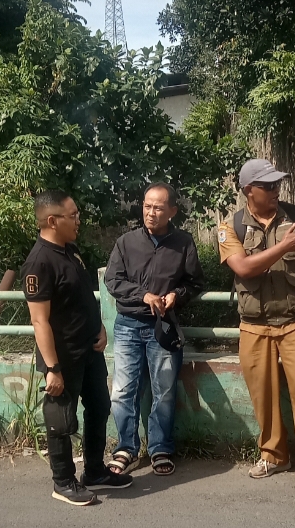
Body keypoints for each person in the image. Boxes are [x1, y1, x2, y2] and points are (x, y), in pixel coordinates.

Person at [218, 158, 295, 489]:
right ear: (248, 190)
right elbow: (243, 268)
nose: (275, 190)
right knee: (262, 394)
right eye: (267, 185)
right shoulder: (230, 227)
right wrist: (283, 247)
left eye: (277, 184)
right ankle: (274, 455)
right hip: (254, 324)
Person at [22, 190, 132, 506]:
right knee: (60, 420)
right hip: (63, 356)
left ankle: (94, 471)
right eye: (73, 216)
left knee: (99, 407)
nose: (78, 220)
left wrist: (99, 327)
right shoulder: (39, 263)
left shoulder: (70, 250)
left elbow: (83, 296)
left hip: (88, 350)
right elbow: (39, 321)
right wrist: (52, 368)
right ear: (52, 221)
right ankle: (63, 482)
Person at [104, 182, 205, 476]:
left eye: (158, 208)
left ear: (172, 211)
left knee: (164, 391)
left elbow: (195, 282)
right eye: (147, 206)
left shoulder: (183, 243)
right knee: (123, 391)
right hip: (128, 325)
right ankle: (126, 448)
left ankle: (160, 447)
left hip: (164, 327)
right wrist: (143, 295)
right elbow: (113, 280)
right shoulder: (126, 242)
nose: (151, 212)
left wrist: (177, 295)